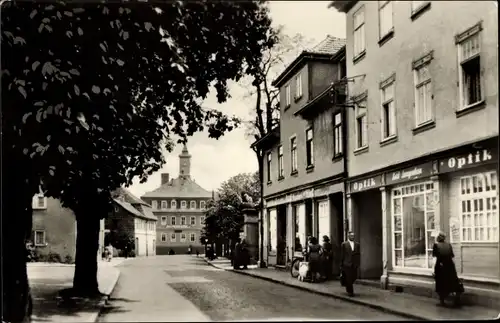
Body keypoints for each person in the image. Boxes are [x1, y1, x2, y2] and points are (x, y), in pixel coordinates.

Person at [433, 232, 462, 307]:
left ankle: (442, 302)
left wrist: (433, 270)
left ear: (438, 238)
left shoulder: (436, 245)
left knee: (440, 283)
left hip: (440, 266)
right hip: (450, 266)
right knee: (453, 283)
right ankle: (456, 300)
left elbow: (435, 258)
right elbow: (452, 256)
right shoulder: (449, 245)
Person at [340, 231, 360, 296]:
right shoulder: (344, 244)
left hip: (354, 264)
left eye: (353, 236)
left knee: (354, 277)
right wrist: (341, 264)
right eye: (351, 236)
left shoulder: (357, 244)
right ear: (348, 236)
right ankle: (350, 292)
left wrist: (358, 263)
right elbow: (342, 255)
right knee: (349, 277)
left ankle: (348, 286)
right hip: (346, 263)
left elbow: (358, 254)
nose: (352, 237)